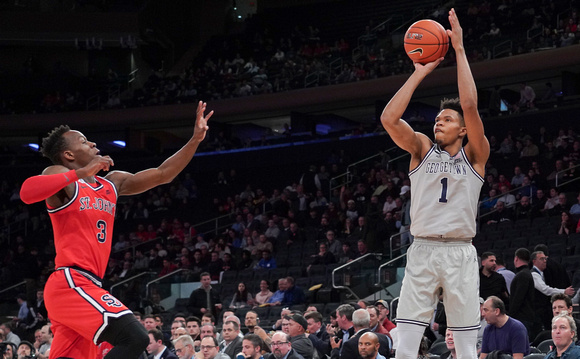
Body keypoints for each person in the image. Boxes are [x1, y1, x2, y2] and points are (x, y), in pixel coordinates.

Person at [19, 101, 213, 359]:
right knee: (136, 337)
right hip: (70, 282)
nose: (92, 144)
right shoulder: (61, 176)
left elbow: (163, 173)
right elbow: (27, 193)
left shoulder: (112, 183)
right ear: (68, 155)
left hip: (90, 284)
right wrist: (81, 173)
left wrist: (195, 140)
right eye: (84, 141)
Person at [380, 9, 489, 359]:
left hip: (460, 251)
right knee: (407, 345)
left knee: (467, 347)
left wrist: (458, 50)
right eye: (437, 118)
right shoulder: (421, 149)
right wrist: (420, 72)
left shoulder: (475, 155)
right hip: (423, 248)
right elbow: (388, 118)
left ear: (463, 130)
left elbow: (469, 104)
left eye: (447, 119)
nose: (438, 122)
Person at [508, 248, 535, 337]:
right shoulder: (526, 273)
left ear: (516, 258)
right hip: (525, 318)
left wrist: (510, 315)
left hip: (522, 318)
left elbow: (518, 298)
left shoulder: (522, 275)